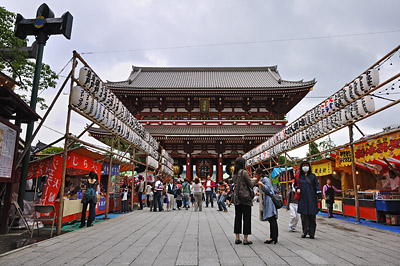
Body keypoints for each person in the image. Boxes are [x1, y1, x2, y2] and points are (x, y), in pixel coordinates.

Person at [293, 161, 322, 239]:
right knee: (304, 217)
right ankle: (305, 232)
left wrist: (319, 196)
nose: (305, 167)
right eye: (304, 165)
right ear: (301, 167)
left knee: (312, 217)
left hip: (312, 198)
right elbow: (295, 185)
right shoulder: (298, 176)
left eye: (307, 165)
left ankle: (312, 233)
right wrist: (297, 189)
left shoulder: (313, 176)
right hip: (302, 199)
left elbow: (317, 186)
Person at [232, 157, 256, 245]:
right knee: (246, 218)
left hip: (237, 198)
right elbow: (250, 184)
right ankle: (245, 238)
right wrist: (255, 181)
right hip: (245, 198)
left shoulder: (234, 173)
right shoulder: (244, 172)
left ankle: (237, 237)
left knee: (237, 217)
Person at [256, 168, 278, 244]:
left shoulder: (265, 179)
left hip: (270, 201)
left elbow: (269, 190)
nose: (255, 176)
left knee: (272, 219)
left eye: (256, 174)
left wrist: (262, 185)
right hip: (267, 201)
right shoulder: (263, 179)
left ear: (260, 174)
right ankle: (274, 236)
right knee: (271, 219)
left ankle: (273, 237)